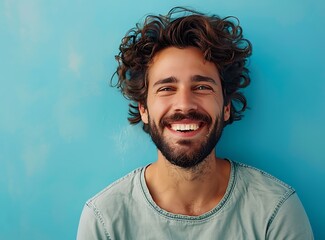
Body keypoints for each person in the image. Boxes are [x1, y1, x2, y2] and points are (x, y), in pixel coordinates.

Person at [77, 7, 313, 239]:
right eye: (167, 88)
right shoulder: (104, 220)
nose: (184, 105)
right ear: (144, 109)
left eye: (202, 87)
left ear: (226, 107)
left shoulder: (275, 211)